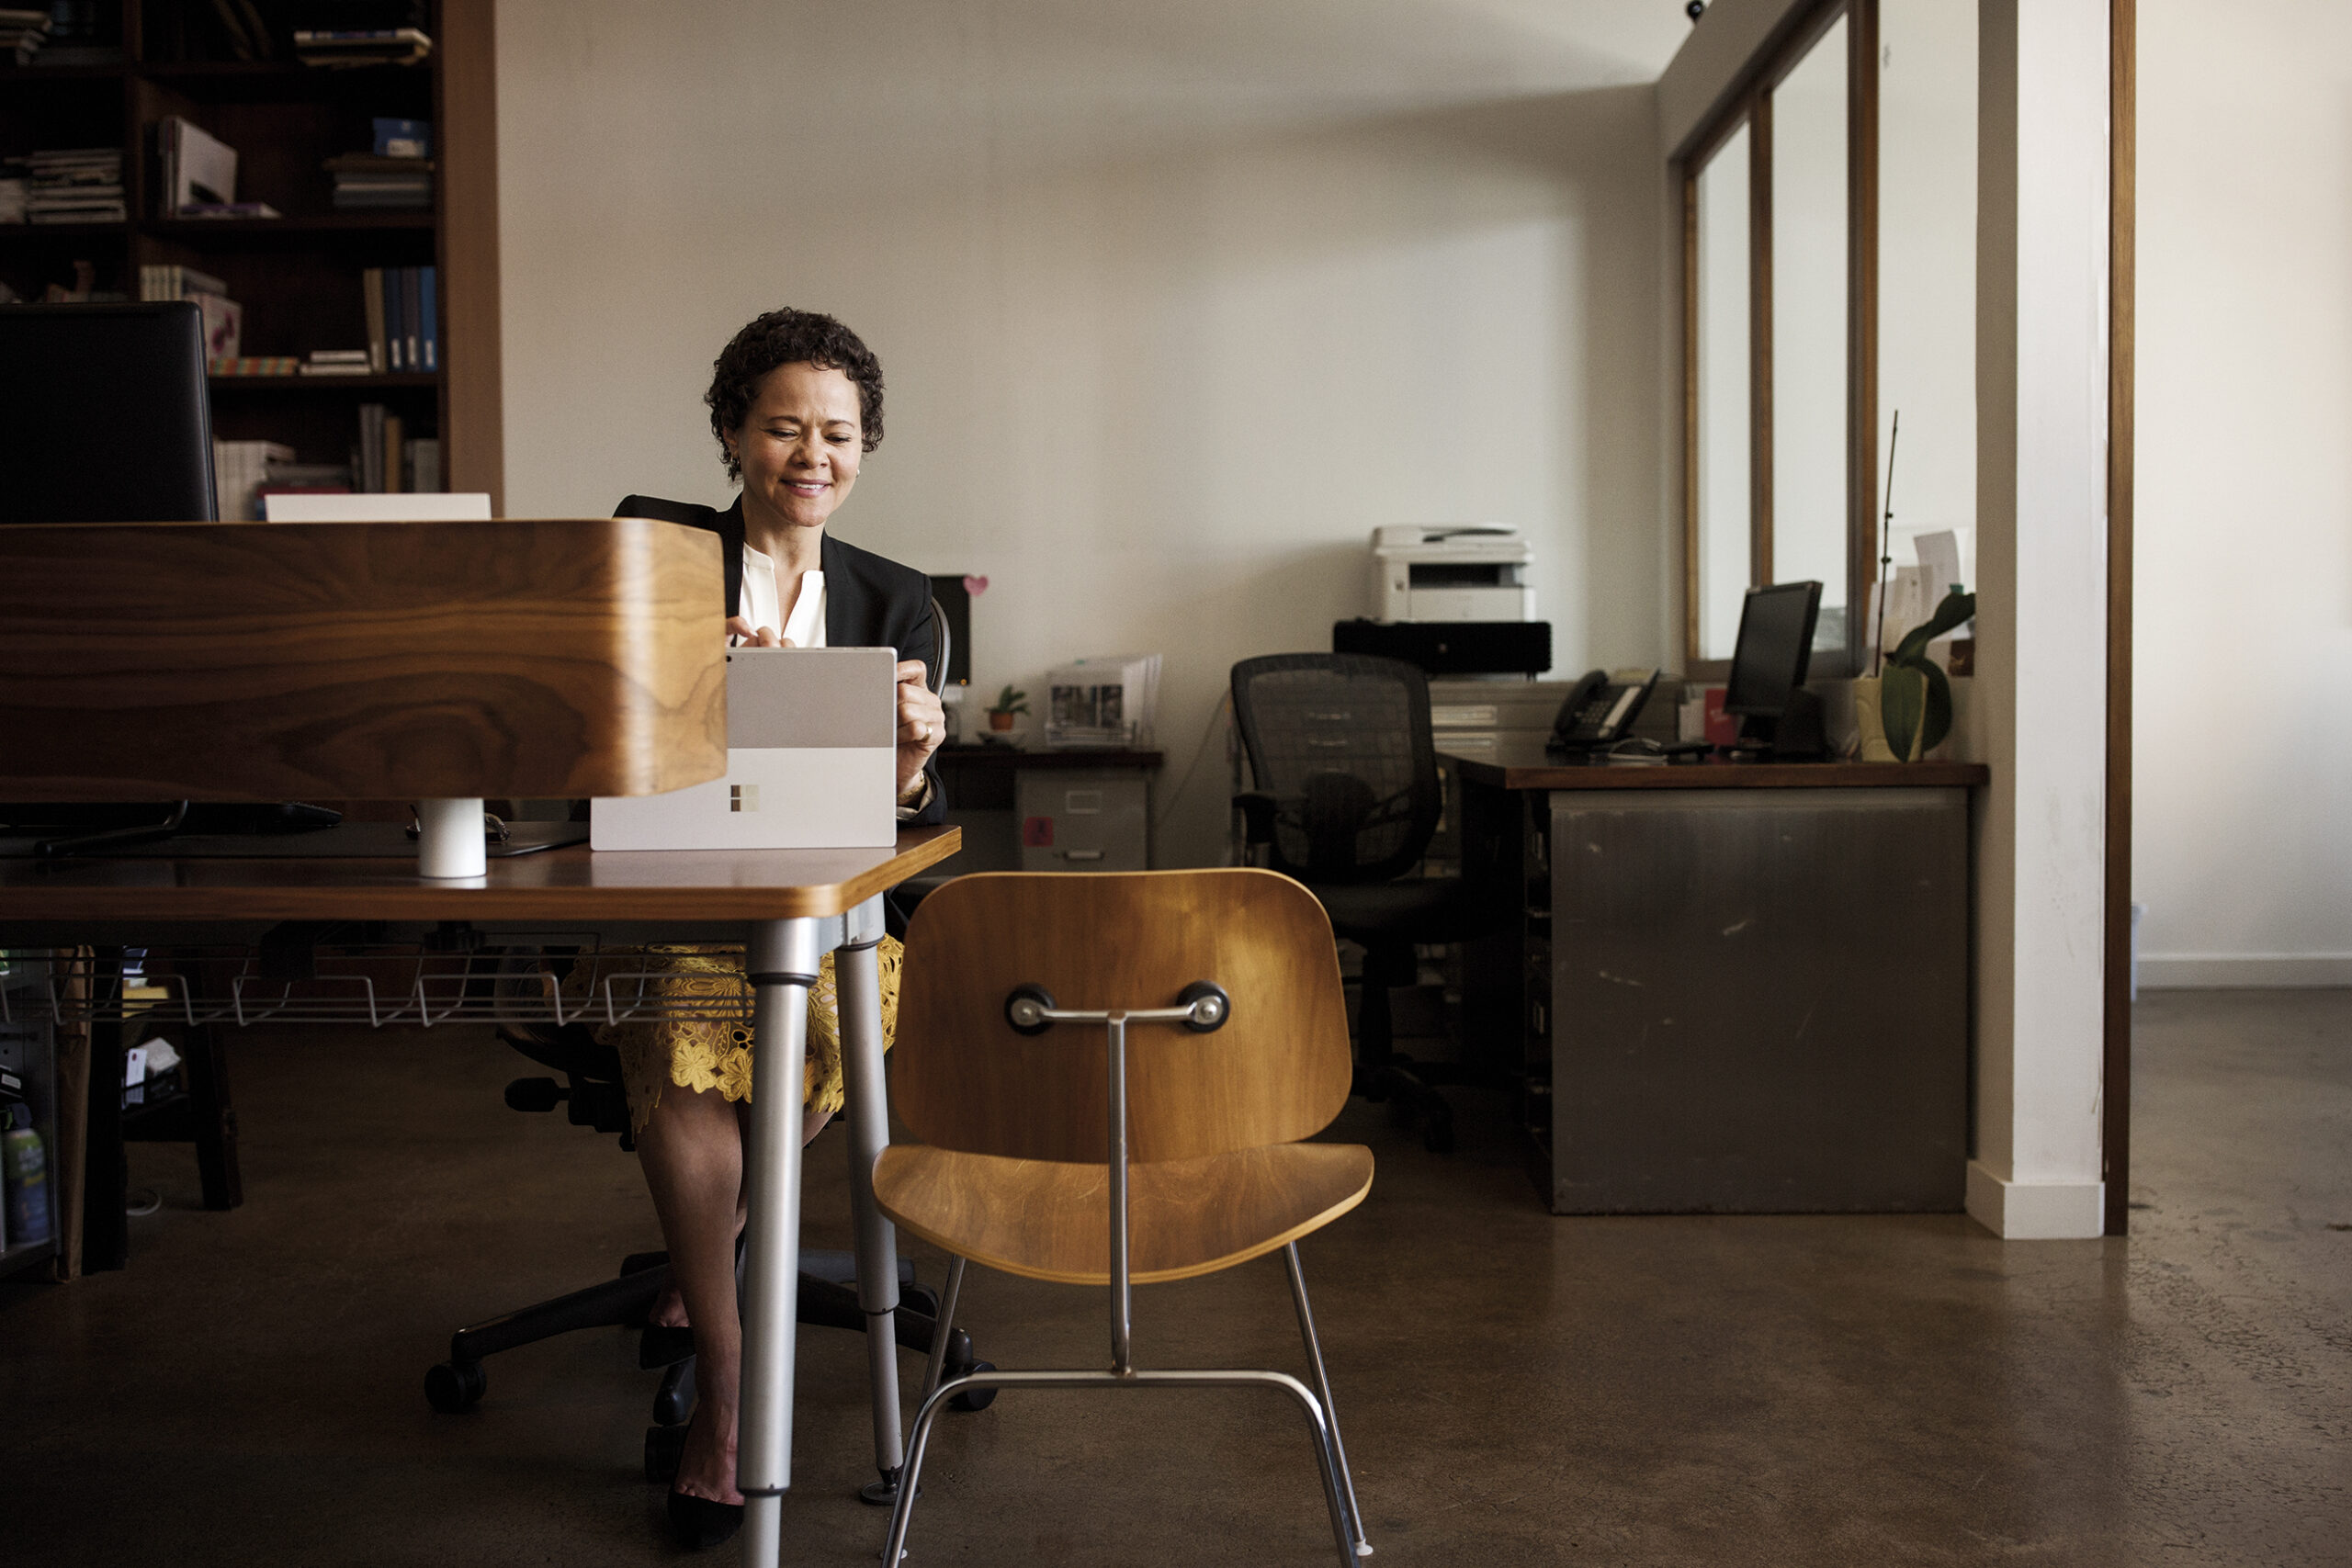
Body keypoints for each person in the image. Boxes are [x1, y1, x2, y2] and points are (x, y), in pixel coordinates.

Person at [605, 308, 946, 1549]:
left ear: (865, 448)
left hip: (832, 915)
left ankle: (715, 1245)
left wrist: (911, 758)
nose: (813, 455)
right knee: (682, 1030)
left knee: (804, 1031)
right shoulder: (656, 553)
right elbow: (596, 726)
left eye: (838, 433)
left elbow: (909, 817)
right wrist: (687, 674)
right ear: (734, 434)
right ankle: (732, 1389)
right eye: (784, 427)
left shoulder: (899, 599)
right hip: (678, 898)